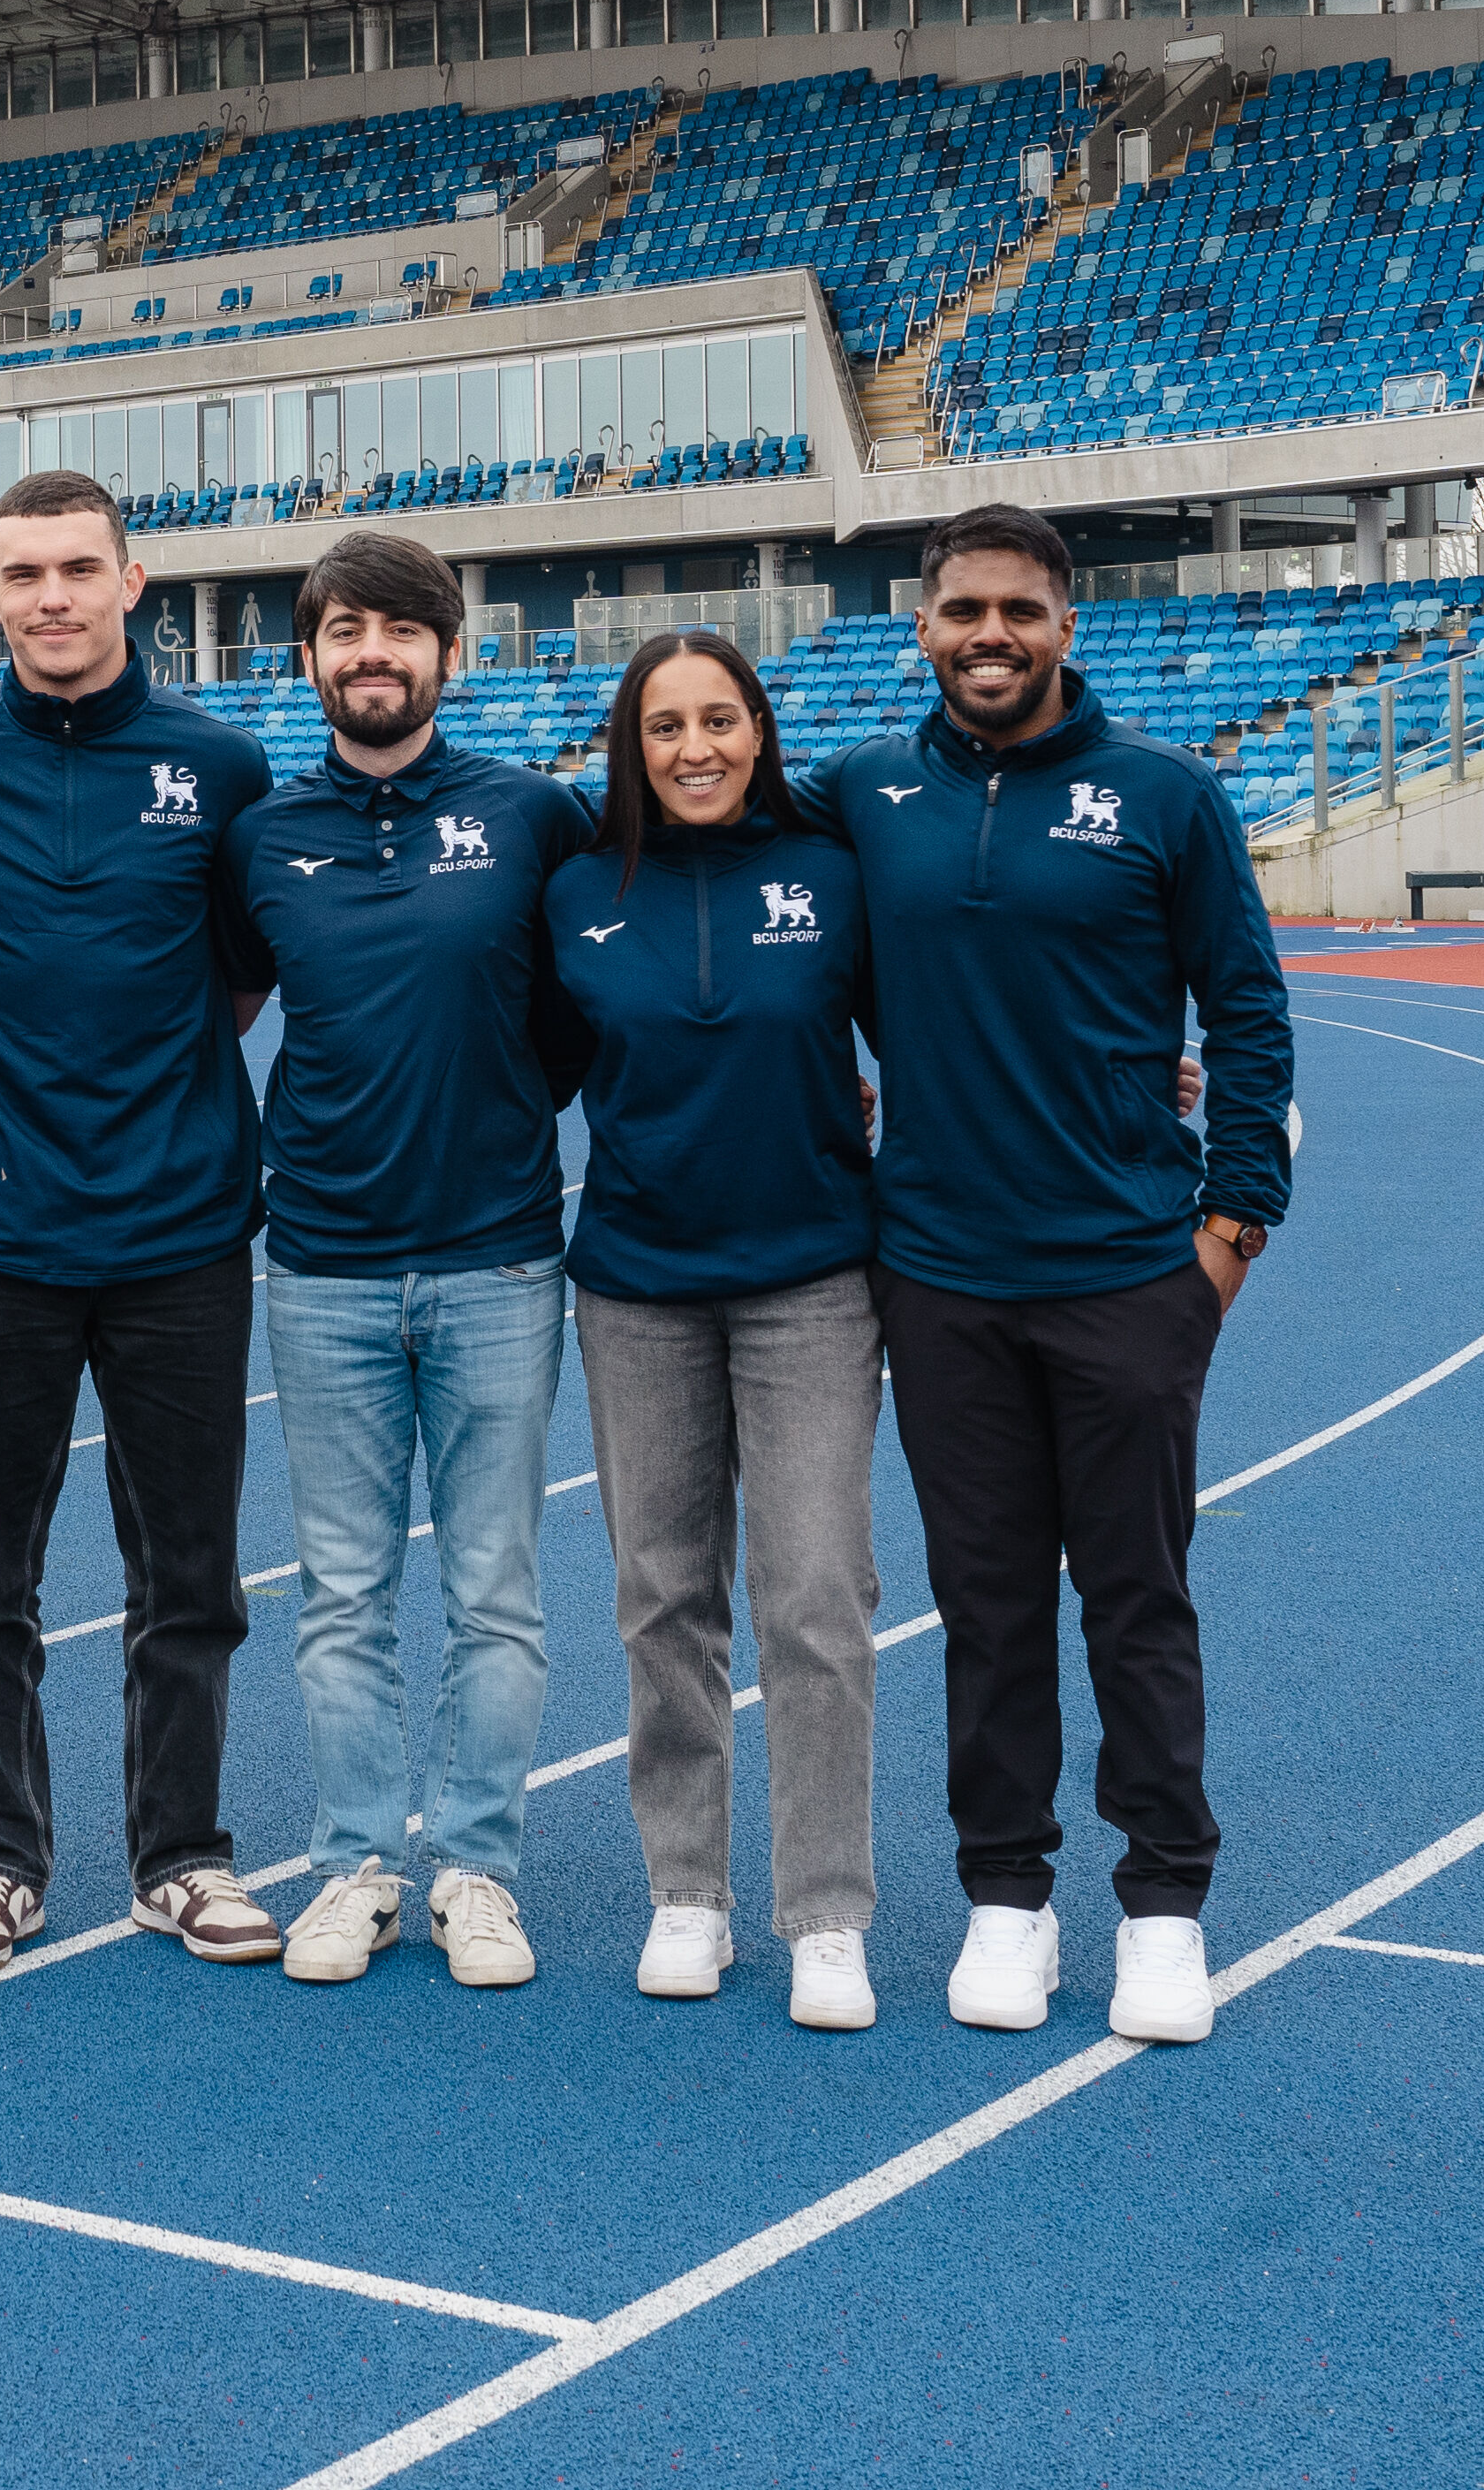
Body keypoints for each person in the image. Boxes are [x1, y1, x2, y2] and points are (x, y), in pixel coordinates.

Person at [806, 501, 1292, 2049]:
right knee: (987, 1606)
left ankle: (1164, 1907)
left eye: (1020, 610)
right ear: (922, 627)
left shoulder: (1165, 794)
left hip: (1126, 1275)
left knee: (1137, 1600)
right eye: (964, 611)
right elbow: (757, 927)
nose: (991, 636)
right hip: (939, 1276)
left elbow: (1249, 1013)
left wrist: (1230, 1234)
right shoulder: (861, 794)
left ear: (1067, 626)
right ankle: (1006, 1896)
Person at [0, 470, 284, 1975]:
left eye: (75, 568)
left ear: (133, 580)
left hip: (182, 1229)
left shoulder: (221, 765)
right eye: (22, 574)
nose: (50, 597)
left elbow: (235, 979)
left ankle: (180, 1856)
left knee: (188, 1573)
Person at [216, 529, 594, 1992]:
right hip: (323, 1265)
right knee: (342, 1594)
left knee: (495, 1591)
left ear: (451, 652)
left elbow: (592, 1000)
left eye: (401, 630)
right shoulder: (261, 836)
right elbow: (216, 1010)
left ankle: (479, 1870)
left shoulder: (533, 815)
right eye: (344, 630)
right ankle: (358, 1866)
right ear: (307, 656)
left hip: (500, 1262)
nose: (372, 653)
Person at [534, 631, 884, 2033]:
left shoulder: (833, 877)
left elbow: (945, 1031)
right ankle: (688, 1890)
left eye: (720, 720)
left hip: (812, 1285)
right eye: (666, 725)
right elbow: (529, 1065)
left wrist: (1129, 1074)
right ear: (632, 746)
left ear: (760, 732)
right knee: (663, 1596)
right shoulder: (576, 893)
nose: (695, 748)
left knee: (816, 1599)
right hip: (636, 1289)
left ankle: (826, 1911)